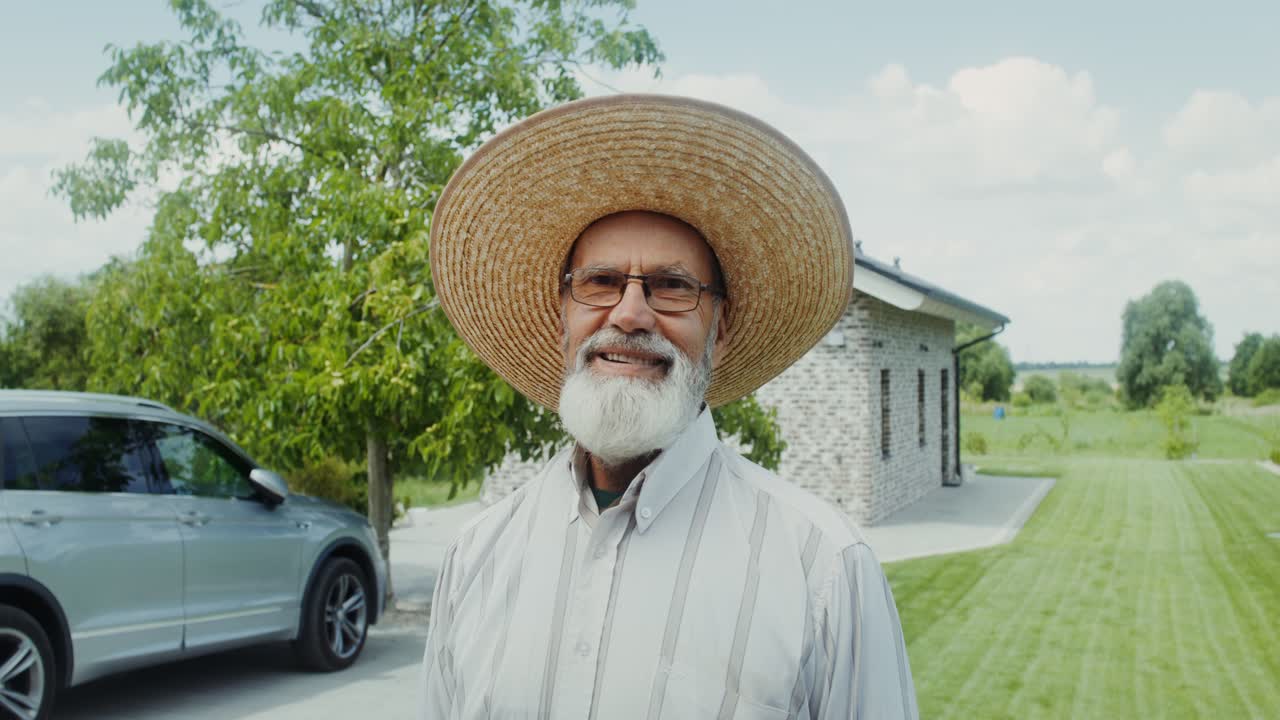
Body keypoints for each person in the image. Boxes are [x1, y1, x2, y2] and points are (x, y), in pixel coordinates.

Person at [421, 94, 918, 719]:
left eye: (673, 287)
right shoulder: (477, 557)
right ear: (561, 320)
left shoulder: (822, 568)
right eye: (599, 282)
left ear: (721, 329)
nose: (629, 313)